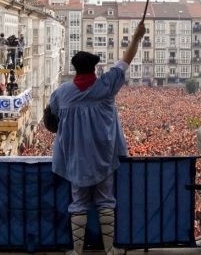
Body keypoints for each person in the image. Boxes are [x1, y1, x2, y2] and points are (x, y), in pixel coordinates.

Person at [48, 21, 145, 255]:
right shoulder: (106, 85)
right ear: (94, 69)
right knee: (106, 201)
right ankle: (110, 249)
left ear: (74, 68)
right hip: (104, 156)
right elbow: (125, 61)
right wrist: (137, 37)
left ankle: (77, 251)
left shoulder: (61, 93)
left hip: (75, 159)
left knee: (78, 203)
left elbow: (51, 122)